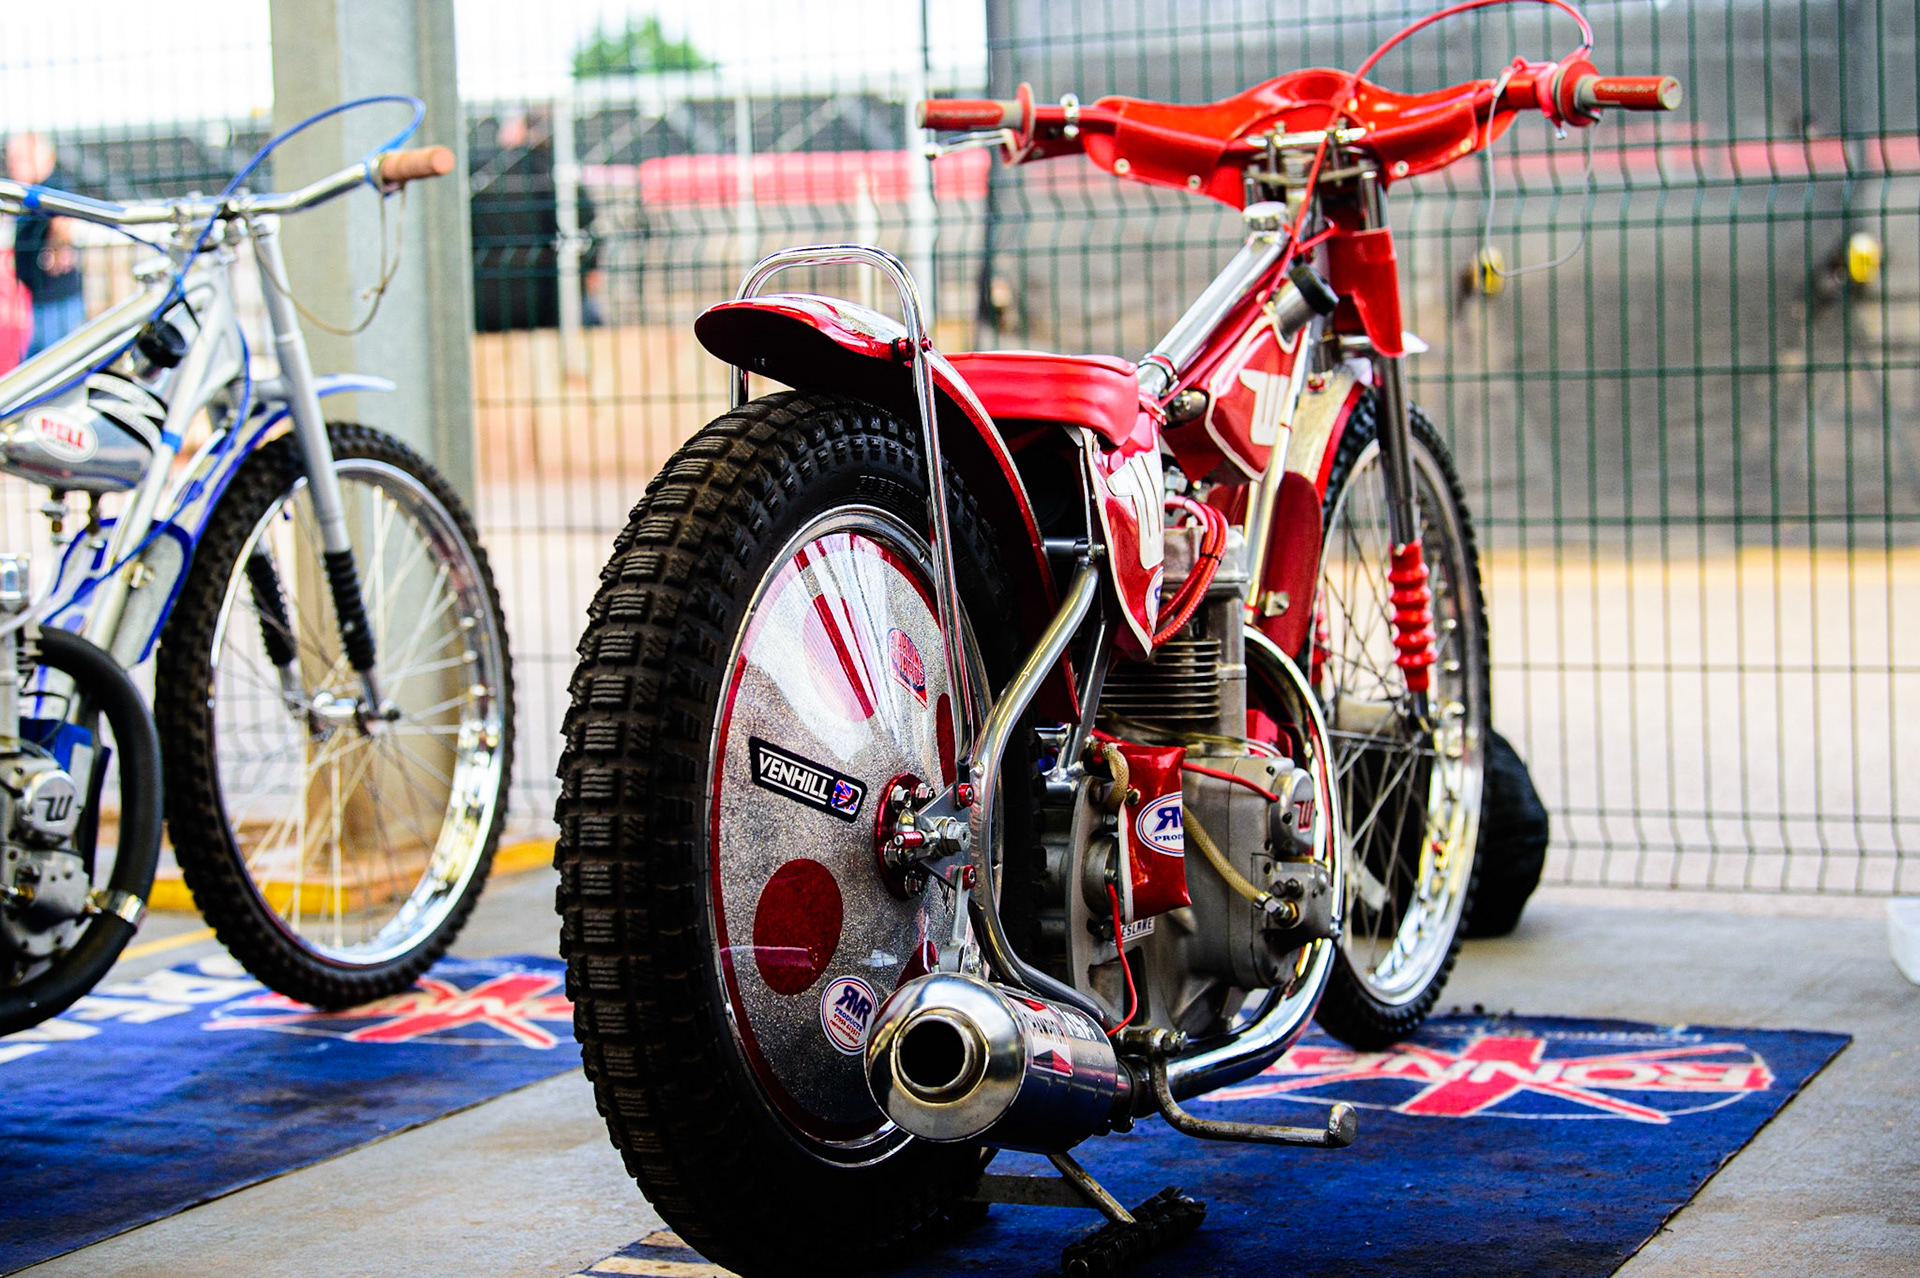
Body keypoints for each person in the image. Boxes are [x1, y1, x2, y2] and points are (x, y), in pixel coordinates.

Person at [8, 132, 86, 356]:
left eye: (21, 158)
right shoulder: (32, 194)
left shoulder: (54, 188)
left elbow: (64, 223)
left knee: (52, 364)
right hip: (40, 299)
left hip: (57, 300)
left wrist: (57, 245)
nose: (13, 165)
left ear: (43, 158)